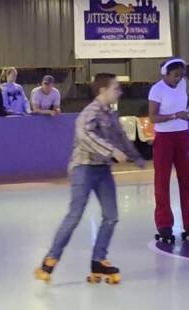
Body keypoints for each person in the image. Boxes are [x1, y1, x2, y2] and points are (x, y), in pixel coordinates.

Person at [34, 73, 144, 284]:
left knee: (111, 216)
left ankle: (98, 259)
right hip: (83, 168)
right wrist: (111, 151)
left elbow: (121, 137)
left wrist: (135, 156)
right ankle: (50, 260)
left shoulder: (111, 114)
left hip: (102, 169)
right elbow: (85, 135)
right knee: (75, 216)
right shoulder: (89, 112)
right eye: (115, 88)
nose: (119, 92)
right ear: (103, 91)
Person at [149, 57, 189, 244]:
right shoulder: (157, 90)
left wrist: (188, 113)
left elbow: (183, 107)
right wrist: (175, 116)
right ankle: (164, 224)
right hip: (164, 139)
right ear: (166, 73)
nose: (178, 79)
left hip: (183, 136)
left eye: (181, 76)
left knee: (188, 180)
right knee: (162, 182)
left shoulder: (183, 85)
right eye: (175, 76)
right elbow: (153, 118)